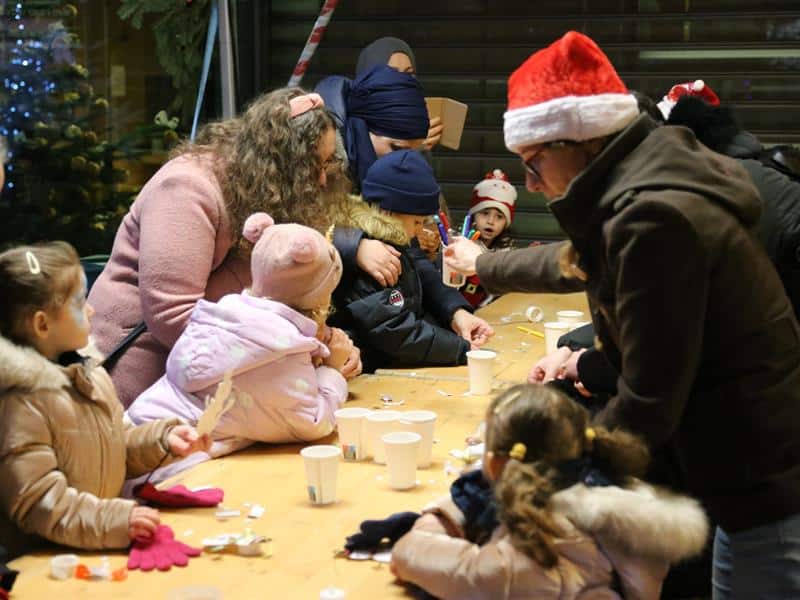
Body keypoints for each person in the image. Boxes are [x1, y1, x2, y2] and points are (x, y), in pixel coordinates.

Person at [443, 31, 800, 597]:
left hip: (760, 482)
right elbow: (577, 261)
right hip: (750, 464)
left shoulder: (653, 214)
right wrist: (484, 264)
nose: (531, 185)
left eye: (533, 164)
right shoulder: (648, 177)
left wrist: (542, 475)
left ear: (580, 141)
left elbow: (648, 399)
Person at [88, 88, 362, 408]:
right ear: (280, 162)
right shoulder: (187, 189)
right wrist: (298, 348)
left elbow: (276, 297)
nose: (322, 180)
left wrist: (324, 342)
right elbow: (172, 318)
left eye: (327, 163)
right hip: (139, 389)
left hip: (208, 386)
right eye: (312, 165)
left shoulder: (267, 192)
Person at [390, 384, 709, 599]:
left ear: (496, 465)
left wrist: (443, 515)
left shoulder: (542, 545)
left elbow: (416, 557)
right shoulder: (622, 498)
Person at [0, 241, 209, 559]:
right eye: (79, 302)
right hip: (47, 564)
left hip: (97, 549)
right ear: (42, 324)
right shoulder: (20, 404)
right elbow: (39, 503)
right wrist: (114, 520)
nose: (91, 310)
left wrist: (163, 440)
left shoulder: (90, 375)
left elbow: (116, 445)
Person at [126, 213, 350, 475]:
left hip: (132, 449)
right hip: (166, 472)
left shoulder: (221, 317)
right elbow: (312, 422)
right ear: (319, 298)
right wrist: (332, 371)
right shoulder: (282, 350)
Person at [329, 150, 493, 372]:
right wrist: (461, 349)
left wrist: (456, 315)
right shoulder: (375, 257)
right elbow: (395, 331)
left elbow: (419, 291)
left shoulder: (394, 238)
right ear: (389, 212)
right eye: (416, 222)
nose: (418, 231)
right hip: (368, 371)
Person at [355, 36, 444, 151]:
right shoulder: (350, 133)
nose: (402, 81)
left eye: (408, 74)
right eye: (392, 73)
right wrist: (414, 147)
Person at [460, 169, 517, 308]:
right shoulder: (460, 243)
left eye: (499, 217)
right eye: (485, 213)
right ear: (473, 215)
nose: (491, 221)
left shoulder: (507, 250)